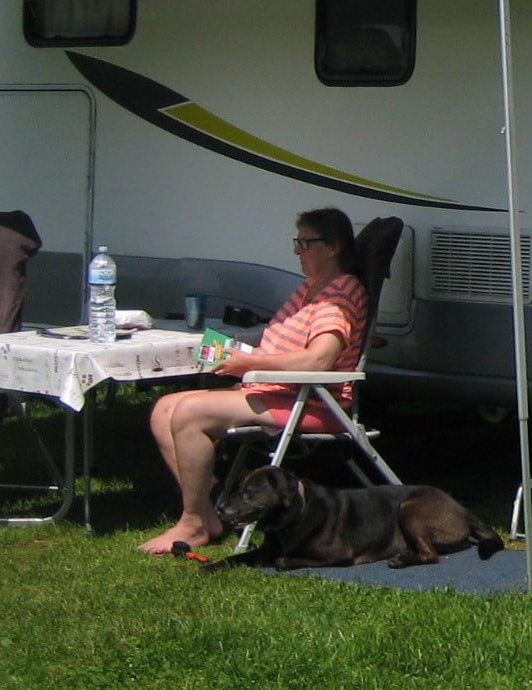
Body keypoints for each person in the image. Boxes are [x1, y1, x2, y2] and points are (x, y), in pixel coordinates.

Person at [139, 208, 371, 556]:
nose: (297, 251)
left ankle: (193, 523)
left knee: (188, 412)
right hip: (274, 390)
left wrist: (250, 363)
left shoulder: (338, 294)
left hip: (313, 401)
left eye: (305, 243)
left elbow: (319, 360)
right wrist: (237, 356)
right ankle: (210, 508)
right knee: (163, 409)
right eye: (298, 242)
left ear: (334, 247)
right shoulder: (309, 290)